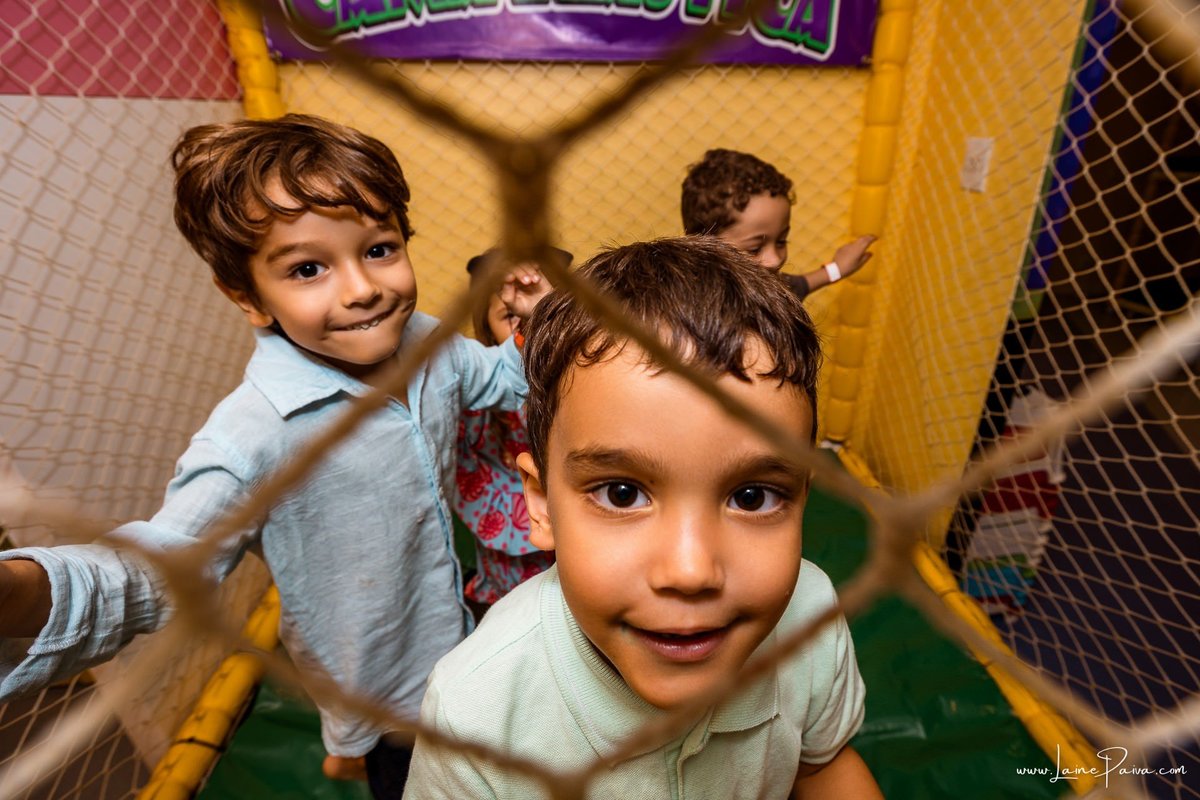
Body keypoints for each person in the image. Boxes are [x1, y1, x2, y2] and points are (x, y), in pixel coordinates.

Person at [0, 114, 551, 799]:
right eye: (308, 268)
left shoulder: (429, 343)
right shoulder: (252, 437)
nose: (362, 288)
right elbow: (160, 569)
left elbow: (504, 378)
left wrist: (541, 319)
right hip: (374, 683)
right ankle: (353, 752)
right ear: (247, 296)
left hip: (448, 619)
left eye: (379, 249)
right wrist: (19, 592)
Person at [405, 237, 882, 799]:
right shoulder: (472, 713)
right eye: (623, 494)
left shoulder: (811, 617)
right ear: (541, 504)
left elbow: (821, 766)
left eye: (752, 497)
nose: (690, 571)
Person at [453, 249, 571, 618]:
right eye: (510, 317)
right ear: (488, 329)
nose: (528, 324)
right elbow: (467, 471)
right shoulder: (481, 395)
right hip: (516, 542)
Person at [681, 148, 876, 299]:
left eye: (781, 241)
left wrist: (837, 269)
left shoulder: (765, 290)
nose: (775, 260)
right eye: (754, 249)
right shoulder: (684, 312)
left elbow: (797, 286)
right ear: (703, 247)